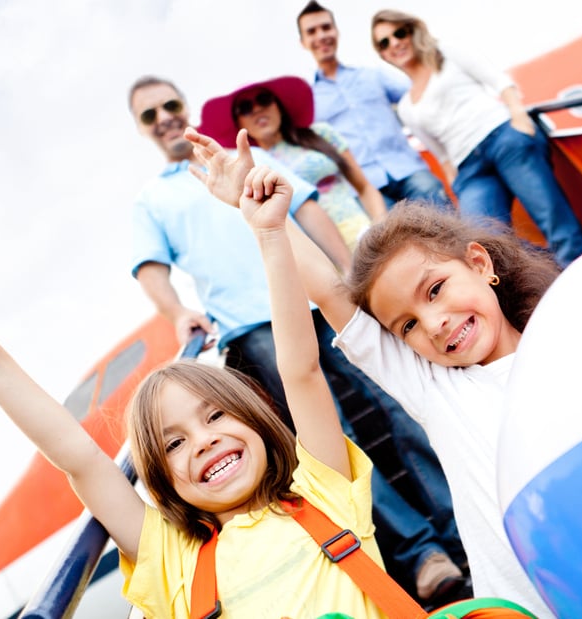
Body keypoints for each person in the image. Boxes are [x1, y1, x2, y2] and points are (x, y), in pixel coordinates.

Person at [0, 179, 389, 616]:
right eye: (173, 444)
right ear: (162, 482)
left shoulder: (324, 491)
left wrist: (269, 235)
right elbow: (83, 461)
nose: (203, 441)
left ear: (257, 420)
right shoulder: (172, 562)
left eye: (216, 415)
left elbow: (299, 369)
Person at [185, 126, 560, 618]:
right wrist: (266, 224)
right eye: (407, 325)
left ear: (479, 261)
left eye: (435, 289)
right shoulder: (433, 384)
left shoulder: (562, 347)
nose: (434, 323)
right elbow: (328, 290)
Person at [129, 76, 468, 605]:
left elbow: (307, 210)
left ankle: (463, 518)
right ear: (142, 128)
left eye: (170, 105)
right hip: (252, 325)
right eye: (149, 114)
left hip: (315, 298)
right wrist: (177, 312)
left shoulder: (248, 155)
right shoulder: (153, 198)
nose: (164, 117)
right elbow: (150, 267)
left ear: (185, 105)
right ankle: (424, 554)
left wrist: (352, 278)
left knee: (398, 406)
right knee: (337, 434)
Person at [369, 8, 582, 269]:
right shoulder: (407, 106)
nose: (395, 43)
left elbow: (499, 81)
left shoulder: (447, 53)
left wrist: (519, 120)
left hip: (503, 139)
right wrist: (455, 180)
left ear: (412, 31)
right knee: (484, 247)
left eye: (399, 33)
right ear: (382, 54)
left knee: (555, 222)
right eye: (385, 42)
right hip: (470, 169)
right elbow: (440, 152)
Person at [198, 75, 387, 250]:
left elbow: (364, 188)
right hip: (313, 253)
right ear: (238, 123)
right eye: (246, 108)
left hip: (362, 233)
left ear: (278, 106)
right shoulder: (249, 168)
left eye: (263, 100)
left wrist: (381, 229)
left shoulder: (320, 133)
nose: (257, 109)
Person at [297, 0, 452, 209]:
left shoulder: (373, 75)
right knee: (391, 240)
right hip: (365, 189)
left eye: (326, 27)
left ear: (336, 32)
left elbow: (420, 94)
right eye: (312, 31)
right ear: (303, 42)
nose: (321, 36)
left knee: (445, 223)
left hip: (409, 170)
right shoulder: (309, 100)